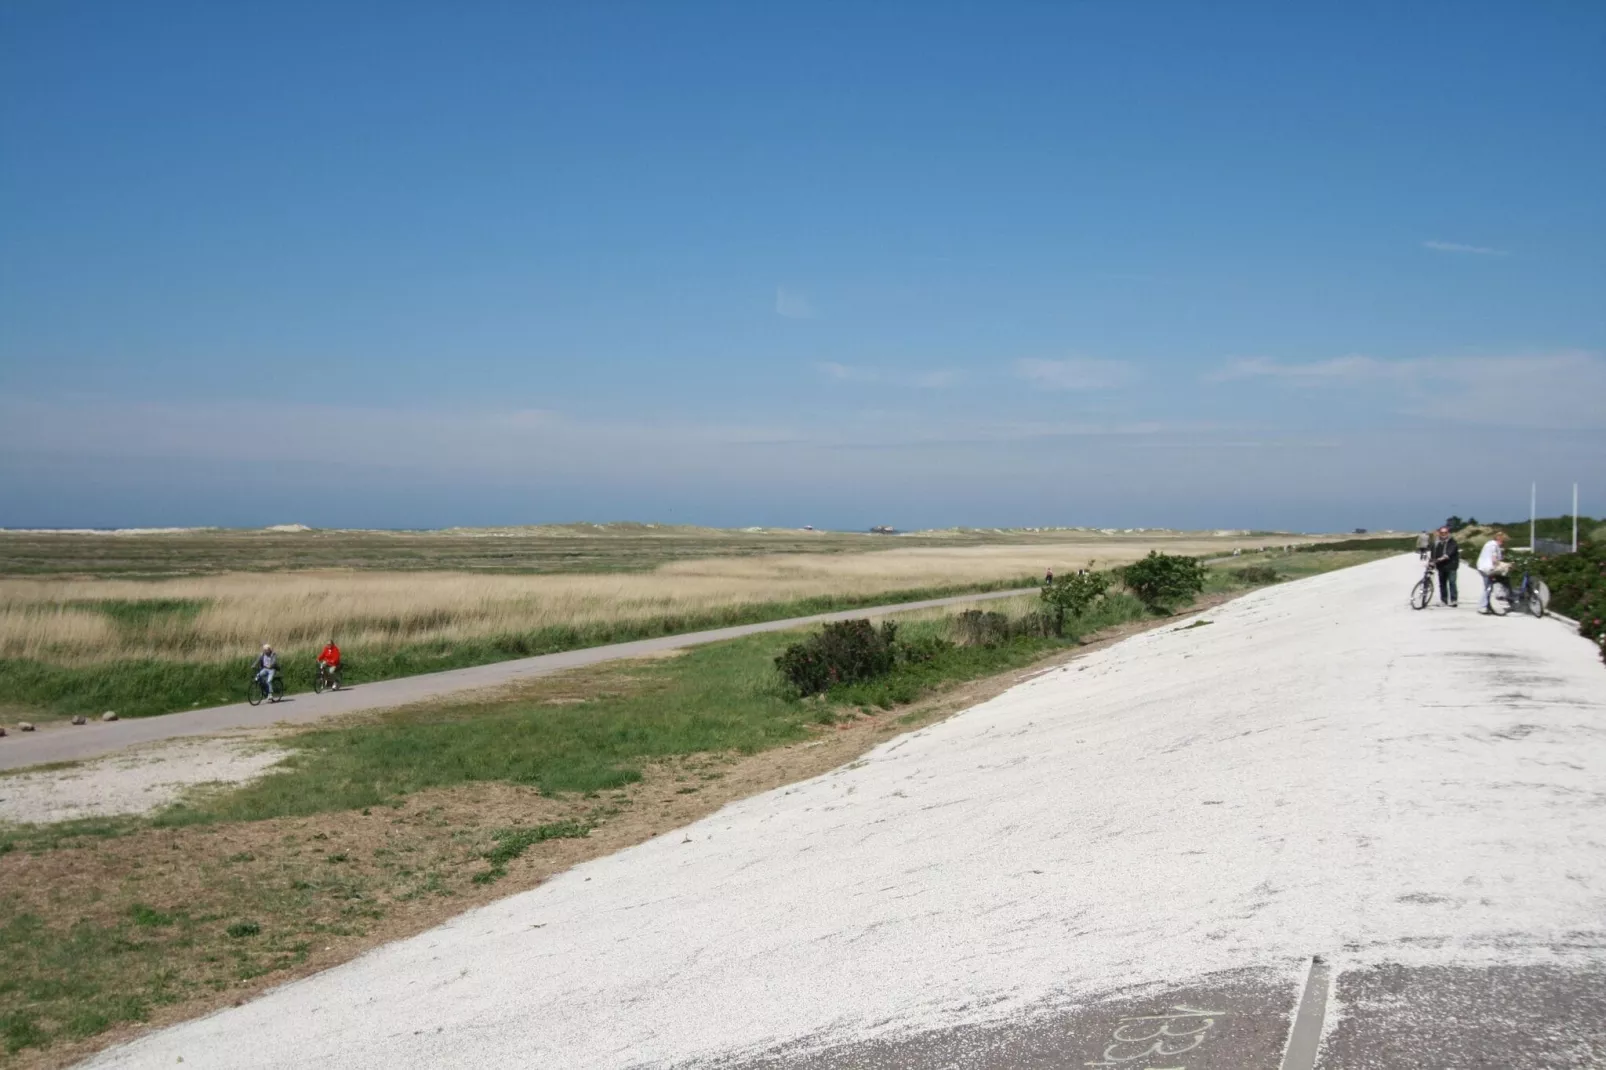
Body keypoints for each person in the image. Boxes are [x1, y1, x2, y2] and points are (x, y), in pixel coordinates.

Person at [1476, 531, 1508, 614]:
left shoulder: (1489, 543)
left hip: (1482, 567)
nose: (1503, 544)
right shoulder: (1494, 545)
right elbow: (1494, 559)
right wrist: (1504, 565)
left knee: (1488, 587)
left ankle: (1487, 605)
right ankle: (1482, 606)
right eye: (1503, 541)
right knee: (1488, 588)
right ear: (1500, 539)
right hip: (1488, 569)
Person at [1431, 526, 1459, 606]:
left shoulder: (1452, 542)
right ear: (1439, 533)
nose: (1443, 534)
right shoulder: (1436, 543)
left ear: (1448, 533)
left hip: (1451, 565)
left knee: (1452, 582)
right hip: (1441, 566)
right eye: (1442, 533)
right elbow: (1433, 554)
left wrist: (1444, 557)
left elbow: (1450, 552)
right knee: (1442, 583)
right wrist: (1431, 562)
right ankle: (1444, 600)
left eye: (1445, 532)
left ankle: (1454, 600)